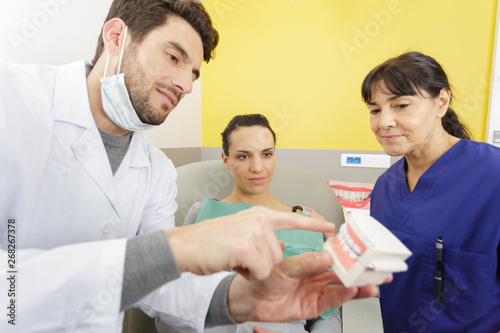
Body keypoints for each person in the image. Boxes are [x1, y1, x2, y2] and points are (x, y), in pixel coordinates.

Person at [0, 0, 383, 332]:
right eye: (173, 57)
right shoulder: (12, 101)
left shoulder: (157, 172)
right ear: (116, 36)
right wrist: (175, 248)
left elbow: (161, 285)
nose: (185, 84)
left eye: (194, 74)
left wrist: (247, 299)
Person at [156, 114, 341, 333]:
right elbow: (171, 299)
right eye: (244, 156)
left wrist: (333, 245)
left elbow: (327, 312)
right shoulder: (202, 213)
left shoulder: (306, 222)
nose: (257, 167)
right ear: (226, 160)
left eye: (266, 154)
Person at [361, 51, 500, 332]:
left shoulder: (492, 175)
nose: (384, 122)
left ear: (442, 102)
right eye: (375, 110)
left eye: (401, 105)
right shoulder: (385, 187)